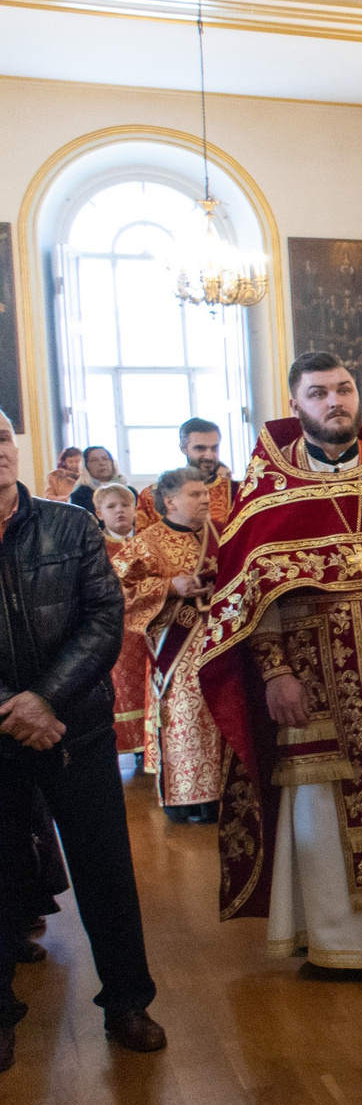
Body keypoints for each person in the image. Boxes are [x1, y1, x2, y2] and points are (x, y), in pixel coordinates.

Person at [187, 352, 362, 971]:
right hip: (315, 678)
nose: (335, 401)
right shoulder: (265, 498)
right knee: (323, 803)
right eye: (319, 393)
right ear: (297, 406)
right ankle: (338, 942)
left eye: (343, 390)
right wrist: (276, 672)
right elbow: (251, 598)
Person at [0, 415, 166, 1069]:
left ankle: (128, 1000)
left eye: (2, 441)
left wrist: (45, 699)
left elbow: (103, 619)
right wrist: (12, 708)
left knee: (106, 870)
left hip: (76, 726)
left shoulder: (68, 524)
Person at [130, 468, 222, 821]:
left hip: (219, 639)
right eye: (194, 494)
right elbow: (115, 590)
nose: (204, 499)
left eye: (205, 493)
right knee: (187, 715)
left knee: (221, 711)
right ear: (169, 501)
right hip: (177, 648)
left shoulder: (220, 532)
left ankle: (225, 793)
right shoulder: (147, 542)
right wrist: (170, 587)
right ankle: (188, 799)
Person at [91, 484, 151, 762]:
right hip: (118, 629)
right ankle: (130, 744)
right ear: (99, 513)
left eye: (125, 505)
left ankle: (152, 745)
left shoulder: (149, 541)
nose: (120, 511)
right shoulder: (95, 546)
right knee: (123, 685)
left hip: (150, 628)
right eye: (112, 506)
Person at [176, 417, 238, 530]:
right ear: (183, 448)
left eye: (214, 448)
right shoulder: (155, 496)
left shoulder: (238, 492)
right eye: (200, 448)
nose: (209, 456)